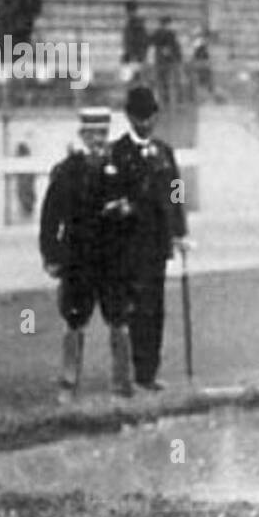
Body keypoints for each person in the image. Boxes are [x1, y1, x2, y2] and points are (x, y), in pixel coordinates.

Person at [39, 107, 136, 404]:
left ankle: (122, 384)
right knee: (74, 320)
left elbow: (136, 213)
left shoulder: (121, 169)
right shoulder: (67, 171)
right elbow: (50, 218)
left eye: (103, 134)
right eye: (92, 134)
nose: (98, 140)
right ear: (82, 134)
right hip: (78, 259)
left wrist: (126, 211)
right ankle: (68, 383)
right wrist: (51, 255)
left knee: (119, 319)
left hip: (112, 260)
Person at [109, 87, 190, 392]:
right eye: (140, 117)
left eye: (151, 116)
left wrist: (180, 231)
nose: (146, 123)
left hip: (157, 244)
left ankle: (148, 372)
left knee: (154, 308)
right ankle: (127, 372)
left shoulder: (165, 152)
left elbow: (176, 193)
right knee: (132, 308)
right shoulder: (118, 152)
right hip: (129, 244)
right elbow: (113, 195)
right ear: (130, 117)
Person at [121, 0, 150, 68]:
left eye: (129, 10)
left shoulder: (136, 23)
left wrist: (135, 54)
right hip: (133, 53)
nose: (127, 13)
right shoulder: (131, 22)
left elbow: (141, 39)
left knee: (136, 73)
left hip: (136, 54)